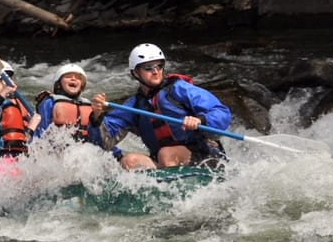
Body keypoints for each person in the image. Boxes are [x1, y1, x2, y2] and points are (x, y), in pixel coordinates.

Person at [88, 43, 231, 170]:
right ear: (135, 73)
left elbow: (221, 113)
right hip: (166, 162)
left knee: (166, 154)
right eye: (148, 68)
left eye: (159, 66)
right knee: (129, 161)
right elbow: (101, 142)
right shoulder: (135, 105)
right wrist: (96, 116)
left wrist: (201, 120)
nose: (156, 71)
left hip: (205, 156)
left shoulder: (179, 89)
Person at [34, 63, 93, 141]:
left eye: (78, 78)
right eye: (68, 77)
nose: (73, 79)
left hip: (84, 150)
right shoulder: (50, 102)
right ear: (58, 84)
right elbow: (41, 130)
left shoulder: (88, 105)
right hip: (56, 149)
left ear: (82, 85)